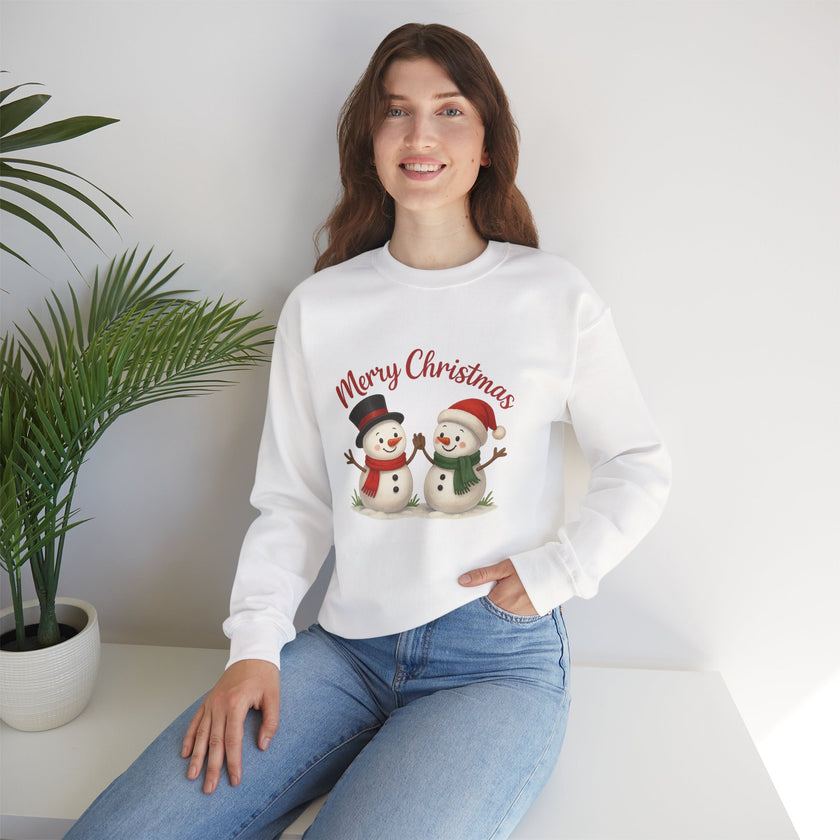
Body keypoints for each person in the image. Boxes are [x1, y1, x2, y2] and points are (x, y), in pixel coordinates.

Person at [65, 22, 671, 840]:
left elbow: (637, 461)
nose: (421, 135)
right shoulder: (323, 307)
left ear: (487, 141)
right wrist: (255, 645)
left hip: (493, 663)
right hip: (345, 651)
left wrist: (560, 569)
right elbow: (294, 502)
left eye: (449, 111)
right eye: (396, 112)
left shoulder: (552, 296)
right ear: (371, 140)